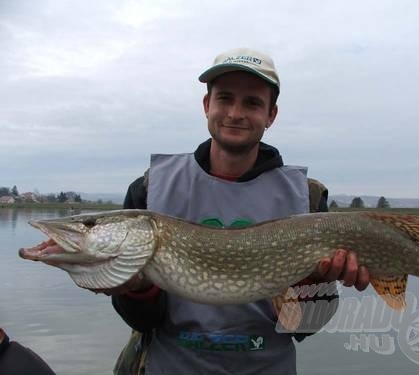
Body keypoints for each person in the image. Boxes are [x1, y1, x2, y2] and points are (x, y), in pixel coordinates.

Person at [111, 48, 369, 374]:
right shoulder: (150, 190)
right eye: (225, 98)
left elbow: (304, 328)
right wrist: (136, 288)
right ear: (207, 105)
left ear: (271, 115)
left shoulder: (307, 197)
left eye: (252, 102)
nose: (235, 113)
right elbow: (140, 320)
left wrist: (313, 285)